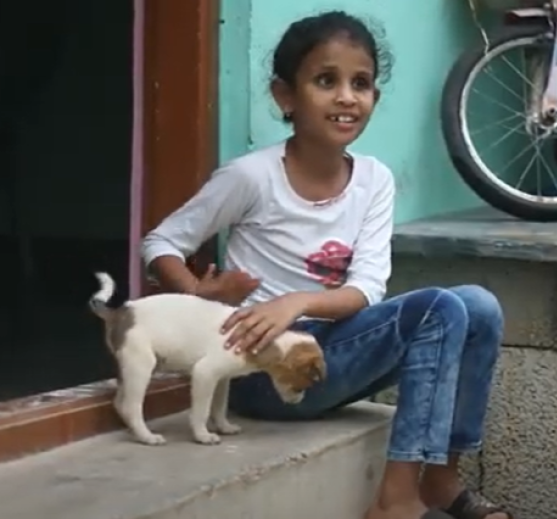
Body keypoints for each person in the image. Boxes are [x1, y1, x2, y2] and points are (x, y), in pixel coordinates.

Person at [141, 10, 511, 519]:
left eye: (360, 84)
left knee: (480, 307)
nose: (346, 97)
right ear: (285, 96)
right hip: (261, 370)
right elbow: (161, 241)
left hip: (333, 354)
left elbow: (367, 289)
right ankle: (395, 501)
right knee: (440, 309)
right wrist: (194, 294)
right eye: (325, 81)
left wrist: (297, 302)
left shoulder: (374, 180)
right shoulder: (251, 177)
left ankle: (441, 478)